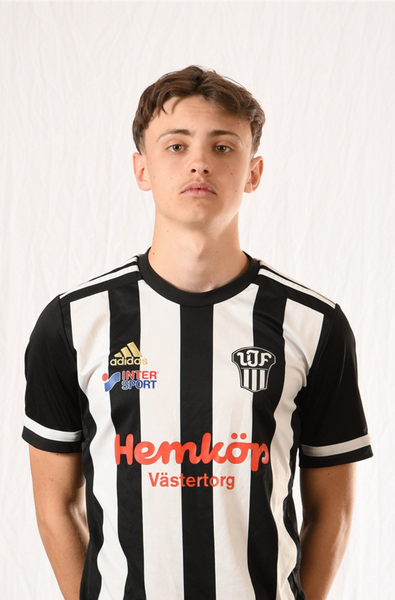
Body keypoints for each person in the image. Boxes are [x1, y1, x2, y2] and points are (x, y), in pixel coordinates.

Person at [23, 65, 372, 600]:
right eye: (176, 146)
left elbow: (333, 509)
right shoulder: (73, 323)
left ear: (253, 172)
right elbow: (56, 504)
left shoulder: (313, 324)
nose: (199, 162)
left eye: (223, 147)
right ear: (142, 169)